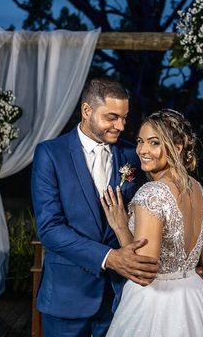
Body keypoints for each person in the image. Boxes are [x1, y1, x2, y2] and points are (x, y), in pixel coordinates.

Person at [31, 77, 160, 337]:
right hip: (67, 295)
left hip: (120, 296)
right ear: (87, 110)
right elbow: (50, 229)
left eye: (124, 118)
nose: (121, 126)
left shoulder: (132, 155)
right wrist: (110, 258)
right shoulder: (49, 154)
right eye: (112, 117)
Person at [101, 109, 203, 336]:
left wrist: (120, 226)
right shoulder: (198, 190)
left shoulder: (152, 193)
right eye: (140, 142)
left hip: (155, 304)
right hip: (196, 297)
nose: (142, 150)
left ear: (177, 148)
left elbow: (144, 271)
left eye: (154, 143)